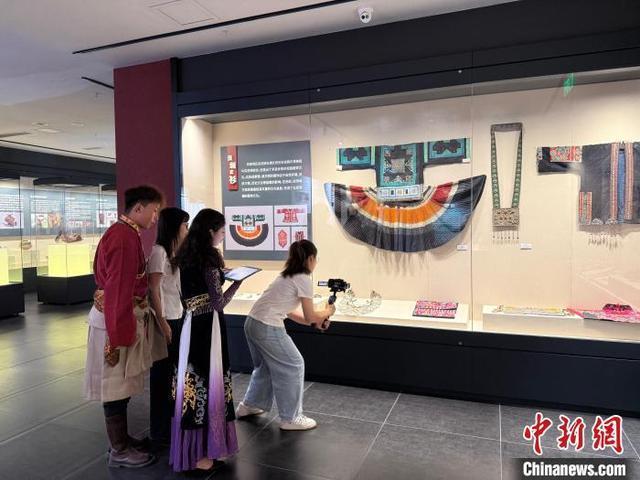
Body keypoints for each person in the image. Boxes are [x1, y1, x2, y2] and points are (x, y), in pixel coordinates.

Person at [84, 185, 164, 468]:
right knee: (115, 386)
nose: (155, 217)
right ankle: (118, 449)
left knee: (121, 386)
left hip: (120, 316)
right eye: (154, 211)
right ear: (139, 208)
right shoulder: (123, 237)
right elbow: (118, 289)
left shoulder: (125, 233)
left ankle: (122, 440)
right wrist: (120, 334)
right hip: (116, 321)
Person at [170, 208, 242, 473]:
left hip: (190, 323)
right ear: (211, 231)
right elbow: (218, 301)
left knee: (192, 382)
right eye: (222, 231)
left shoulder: (185, 255)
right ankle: (205, 451)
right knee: (211, 380)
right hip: (209, 326)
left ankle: (194, 449)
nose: (223, 236)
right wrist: (237, 283)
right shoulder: (210, 258)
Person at [237, 239, 335, 431]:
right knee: (294, 364)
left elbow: (294, 314)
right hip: (266, 326)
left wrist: (316, 320)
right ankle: (291, 418)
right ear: (311, 258)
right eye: (315, 259)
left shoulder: (286, 276)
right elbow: (310, 315)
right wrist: (328, 311)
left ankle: (250, 405)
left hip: (252, 323)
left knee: (265, 367)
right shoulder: (303, 278)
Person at [148, 207, 190, 445]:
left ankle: (168, 423)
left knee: (172, 373)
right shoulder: (159, 252)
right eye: (184, 224)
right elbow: (153, 289)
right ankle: (159, 430)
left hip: (177, 315)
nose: (187, 229)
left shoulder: (173, 252)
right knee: (162, 375)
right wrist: (162, 322)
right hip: (166, 319)